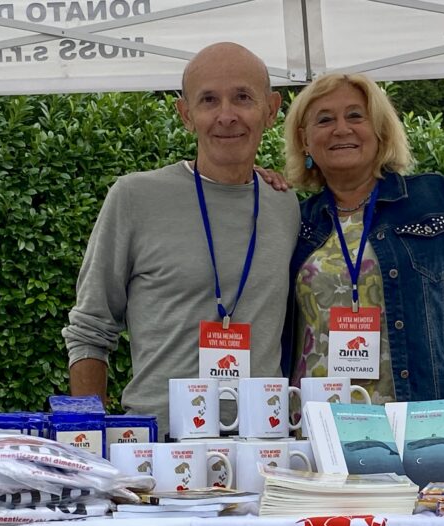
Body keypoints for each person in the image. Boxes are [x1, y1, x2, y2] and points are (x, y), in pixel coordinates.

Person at [63, 42, 300, 437]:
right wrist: (90, 437)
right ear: (186, 115)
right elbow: (90, 328)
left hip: (263, 443)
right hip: (160, 443)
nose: (227, 115)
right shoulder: (135, 197)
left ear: (271, 109)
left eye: (242, 97)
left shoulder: (285, 203)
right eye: (209, 100)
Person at [281, 73, 444, 428]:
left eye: (355, 116)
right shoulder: (294, 220)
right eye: (324, 119)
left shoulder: (434, 200)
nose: (341, 128)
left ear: (380, 130)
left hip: (417, 429)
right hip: (312, 432)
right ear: (305, 141)